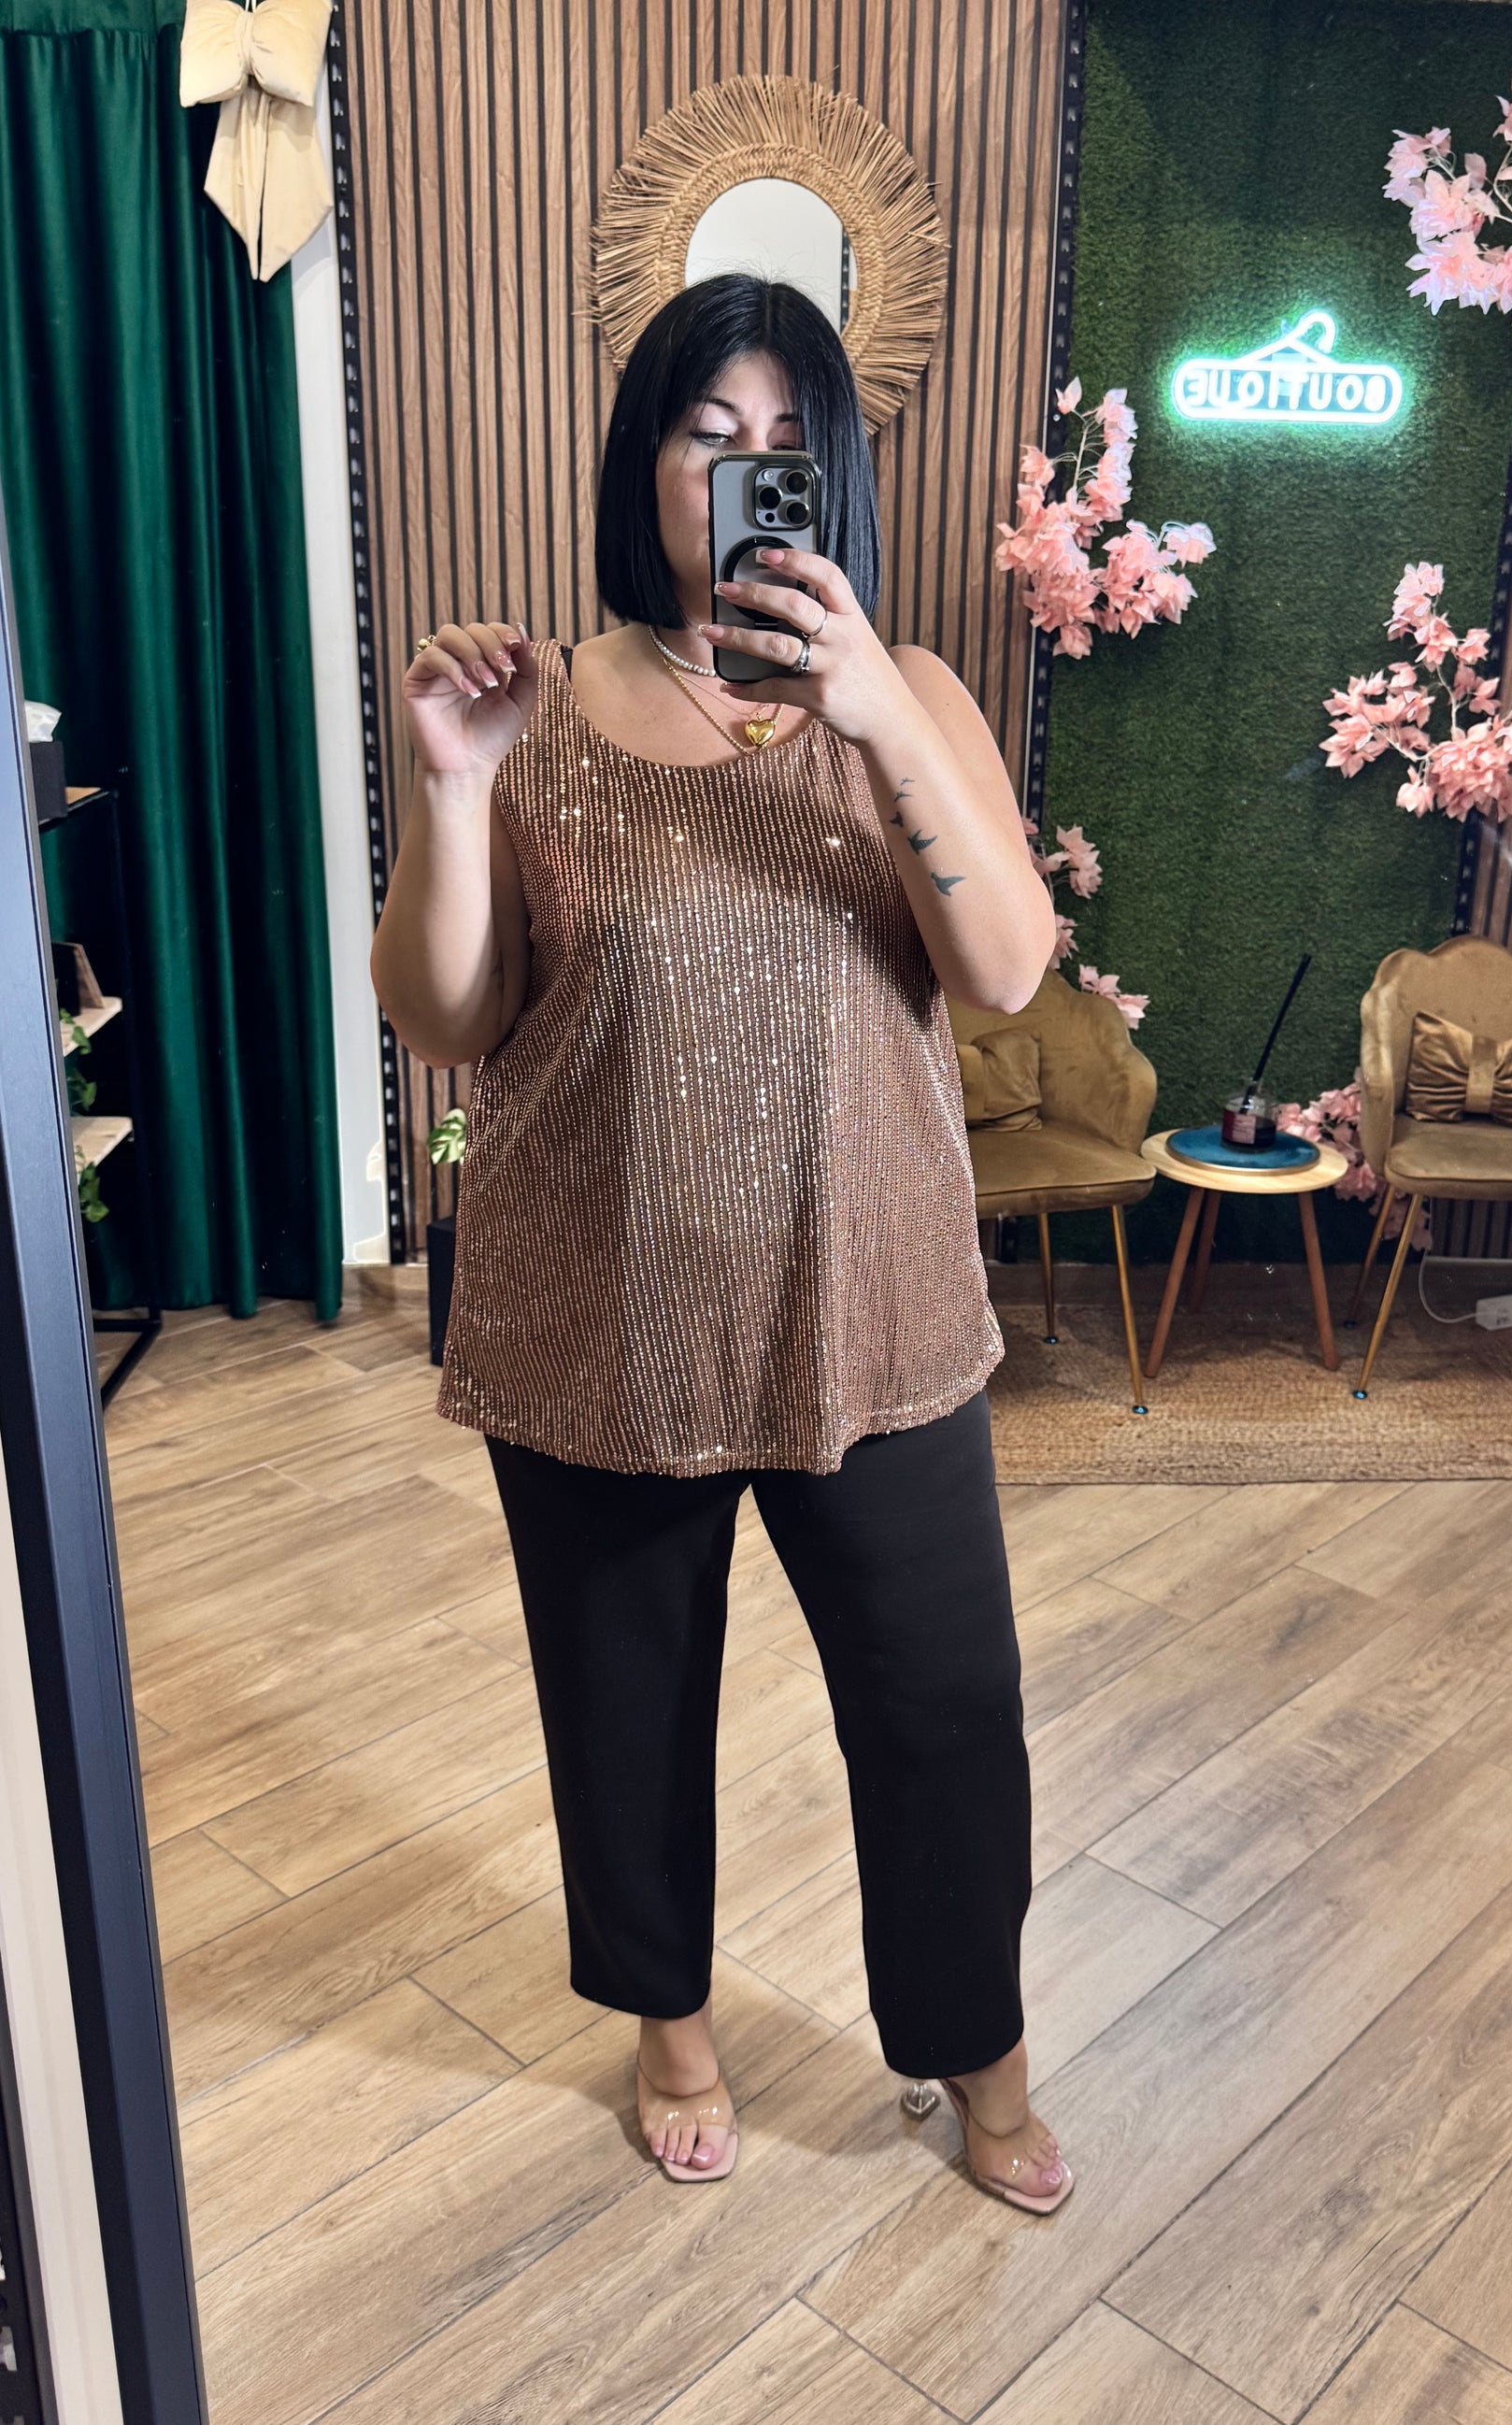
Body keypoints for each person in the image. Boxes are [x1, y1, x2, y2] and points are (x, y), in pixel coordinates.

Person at [369, 274, 1073, 2212]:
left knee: (945, 1715)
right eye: (706, 435)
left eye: (785, 443)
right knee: (621, 1710)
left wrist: (872, 712)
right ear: (644, 463)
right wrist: (453, 783)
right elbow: (446, 1017)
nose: (746, 472)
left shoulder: (905, 692)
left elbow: (1006, 970)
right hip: (596, 1312)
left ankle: (980, 2051)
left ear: (829, 474)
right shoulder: (529, 703)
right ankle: (668, 2026)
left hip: (875, 1308)